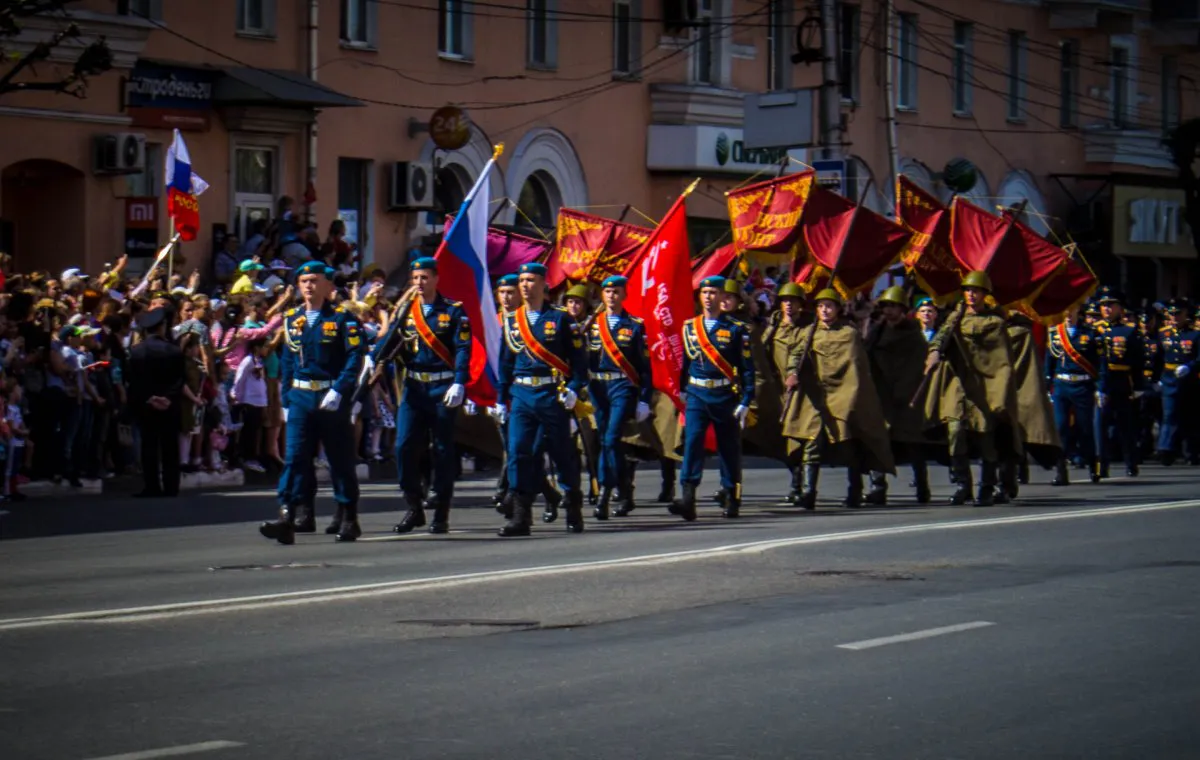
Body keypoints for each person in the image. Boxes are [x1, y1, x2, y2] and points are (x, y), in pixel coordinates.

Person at [260, 261, 365, 545]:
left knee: (339, 458)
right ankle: (286, 514)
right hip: (301, 397)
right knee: (295, 457)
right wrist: (285, 399)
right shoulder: (292, 318)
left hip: (330, 397)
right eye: (304, 281)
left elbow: (355, 358)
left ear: (328, 285)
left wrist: (340, 390)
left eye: (314, 280)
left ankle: (349, 516)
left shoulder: (343, 319)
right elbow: (288, 360)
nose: (308, 285)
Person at [496, 262, 589, 536]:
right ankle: (521, 516)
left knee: (561, 453)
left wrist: (574, 389)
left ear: (543, 283)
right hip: (522, 394)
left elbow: (579, 362)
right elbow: (505, 364)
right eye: (522, 280)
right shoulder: (512, 320)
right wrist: (500, 399)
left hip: (551, 394)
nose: (525, 285)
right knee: (518, 452)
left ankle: (573, 504)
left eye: (531, 280)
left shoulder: (561, 319)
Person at [379, 257, 470, 535]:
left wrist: (459, 382)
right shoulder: (406, 310)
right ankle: (414, 504)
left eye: (424, 277)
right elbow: (390, 340)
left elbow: (463, 349)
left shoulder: (453, 311)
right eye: (415, 278)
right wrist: (373, 358)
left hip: (442, 387)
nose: (419, 283)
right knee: (404, 446)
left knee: (442, 449)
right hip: (414, 387)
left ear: (436, 279)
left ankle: (441, 511)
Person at [784, 288, 894, 509]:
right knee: (812, 442)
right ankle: (808, 492)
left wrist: (853, 392)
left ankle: (855, 490)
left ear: (837, 309)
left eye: (829, 306)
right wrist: (793, 372)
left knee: (848, 444)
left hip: (844, 395)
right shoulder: (809, 332)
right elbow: (797, 355)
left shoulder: (848, 333)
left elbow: (856, 364)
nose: (825, 310)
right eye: (821, 306)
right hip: (818, 396)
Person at [922, 271, 1020, 506]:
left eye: (975, 291)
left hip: (986, 387)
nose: (971, 295)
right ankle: (962, 484)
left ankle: (986, 486)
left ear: (985, 294)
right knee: (955, 431)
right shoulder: (955, 318)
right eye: (967, 290)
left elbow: (1001, 361)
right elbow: (941, 338)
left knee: (985, 436)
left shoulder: (995, 323)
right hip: (959, 384)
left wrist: (1000, 393)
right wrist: (935, 351)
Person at [673, 276, 754, 521]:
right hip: (697, 393)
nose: (708, 297)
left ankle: (732, 494)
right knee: (692, 442)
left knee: (728, 447)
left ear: (722, 297)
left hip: (724, 394)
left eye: (713, 293)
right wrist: (682, 389)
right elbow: (685, 363)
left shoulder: (736, 329)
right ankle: (688, 497)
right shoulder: (690, 327)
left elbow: (747, 368)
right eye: (705, 292)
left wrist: (746, 400)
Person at [586, 275, 650, 520]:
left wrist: (644, 399)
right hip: (597, 386)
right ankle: (625, 487)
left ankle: (605, 492)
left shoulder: (634, 325)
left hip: (622, 385)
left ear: (624, 295)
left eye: (616, 292)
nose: (611, 296)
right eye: (607, 292)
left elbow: (644, 366)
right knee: (605, 440)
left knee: (611, 438)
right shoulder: (592, 324)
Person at [865, 286, 930, 504]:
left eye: (894, 306)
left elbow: (917, 366)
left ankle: (922, 486)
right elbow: (867, 358)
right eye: (886, 306)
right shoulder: (877, 332)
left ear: (902, 309)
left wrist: (906, 390)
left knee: (912, 443)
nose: (889, 311)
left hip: (907, 395)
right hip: (881, 395)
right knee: (878, 441)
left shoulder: (913, 335)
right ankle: (877, 487)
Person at [127, 307, 185, 498]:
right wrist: (168, 397)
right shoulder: (174, 351)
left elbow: (133, 380)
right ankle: (171, 486)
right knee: (170, 446)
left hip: (147, 404)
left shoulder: (136, 351)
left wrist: (149, 397)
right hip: (170, 405)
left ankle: (151, 486)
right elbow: (180, 380)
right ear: (163, 326)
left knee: (149, 445)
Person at [762, 282, 810, 503]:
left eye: (793, 301)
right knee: (781, 439)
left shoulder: (808, 329)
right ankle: (796, 477)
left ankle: (801, 484)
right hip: (778, 391)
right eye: (785, 301)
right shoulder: (773, 329)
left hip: (802, 391)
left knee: (799, 437)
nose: (789, 305)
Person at [1045, 303, 1103, 486]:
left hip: (1083, 384)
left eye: (1072, 309)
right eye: (1065, 310)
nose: (1068, 313)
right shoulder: (1055, 333)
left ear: (1078, 310)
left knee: (1085, 428)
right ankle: (1061, 472)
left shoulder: (1091, 333)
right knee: (1060, 427)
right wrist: (1046, 386)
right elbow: (1049, 362)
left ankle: (1094, 466)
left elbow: (1100, 362)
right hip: (1062, 385)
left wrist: (1100, 387)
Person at [1094, 287, 1144, 478]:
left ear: (1120, 308)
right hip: (1100, 383)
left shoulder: (1129, 331)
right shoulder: (1093, 330)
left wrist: (1138, 386)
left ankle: (1131, 463)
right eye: (1103, 305)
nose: (1106, 309)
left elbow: (1137, 360)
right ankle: (1101, 466)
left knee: (1125, 426)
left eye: (1111, 305)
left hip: (1122, 382)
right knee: (1100, 426)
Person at [1156, 299, 1200, 465]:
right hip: (1169, 379)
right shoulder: (1163, 334)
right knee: (1169, 414)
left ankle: (1191, 452)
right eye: (1172, 314)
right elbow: (1158, 358)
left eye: (1178, 314)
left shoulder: (1195, 334)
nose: (1174, 317)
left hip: (1189, 380)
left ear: (1186, 314)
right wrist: (1156, 379)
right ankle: (1165, 449)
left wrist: (1189, 366)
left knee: (1190, 416)